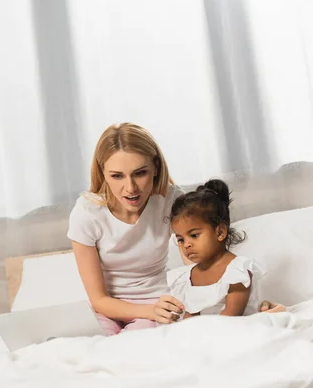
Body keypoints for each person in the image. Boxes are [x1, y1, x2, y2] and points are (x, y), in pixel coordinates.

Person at [67, 123, 284, 336]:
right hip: (107, 309)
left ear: (155, 168)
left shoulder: (170, 200)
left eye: (140, 173)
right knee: (89, 346)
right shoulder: (86, 213)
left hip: (160, 303)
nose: (130, 188)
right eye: (117, 176)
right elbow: (99, 299)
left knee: (143, 344)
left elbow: (200, 267)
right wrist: (148, 311)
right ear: (102, 172)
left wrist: (253, 309)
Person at [167, 179, 265, 318]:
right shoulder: (188, 277)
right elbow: (190, 318)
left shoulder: (237, 271)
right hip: (206, 334)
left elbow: (231, 315)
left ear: (220, 232)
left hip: (234, 330)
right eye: (181, 239)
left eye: (194, 235)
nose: (186, 244)